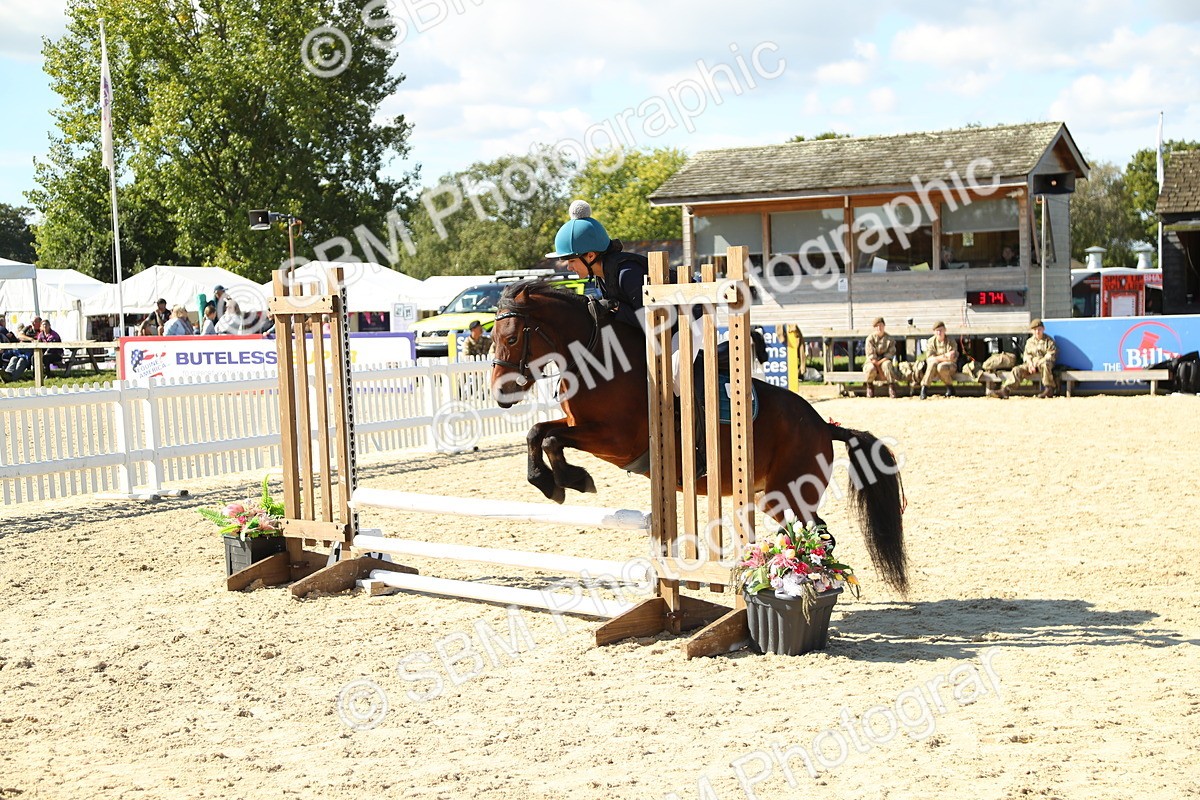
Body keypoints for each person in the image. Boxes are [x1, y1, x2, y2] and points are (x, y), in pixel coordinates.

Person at [549, 200, 650, 331]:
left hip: (678, 333)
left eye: (572, 261)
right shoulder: (601, 275)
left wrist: (616, 306)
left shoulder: (627, 273)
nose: (569, 267)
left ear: (591, 256)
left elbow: (652, 322)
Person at [996, 319, 1057, 399]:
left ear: (1043, 329)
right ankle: (1006, 390)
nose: (1037, 332)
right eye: (1035, 330)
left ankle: (1049, 389)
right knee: (1017, 369)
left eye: (1039, 329)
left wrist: (1037, 363)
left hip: (1043, 364)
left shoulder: (1049, 341)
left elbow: (1050, 355)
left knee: (1046, 365)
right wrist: (1030, 364)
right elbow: (1026, 355)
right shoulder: (1029, 342)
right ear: (1032, 331)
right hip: (1031, 365)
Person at [920, 321, 958, 399]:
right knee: (932, 364)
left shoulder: (951, 341)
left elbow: (951, 357)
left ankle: (950, 387)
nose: (939, 332)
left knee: (941, 366)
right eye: (937, 330)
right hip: (935, 365)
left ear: (945, 330)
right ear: (934, 332)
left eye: (941, 330)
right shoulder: (931, 341)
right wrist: (944, 356)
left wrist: (937, 358)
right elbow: (930, 359)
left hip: (950, 366)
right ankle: (924, 389)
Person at [862, 317, 898, 398]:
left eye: (881, 325)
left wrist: (881, 363)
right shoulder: (870, 339)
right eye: (877, 326)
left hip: (884, 360)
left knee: (887, 365)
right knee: (870, 368)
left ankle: (891, 387)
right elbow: (871, 356)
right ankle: (869, 386)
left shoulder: (890, 339)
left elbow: (890, 354)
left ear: (884, 326)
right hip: (872, 361)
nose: (879, 328)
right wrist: (880, 371)